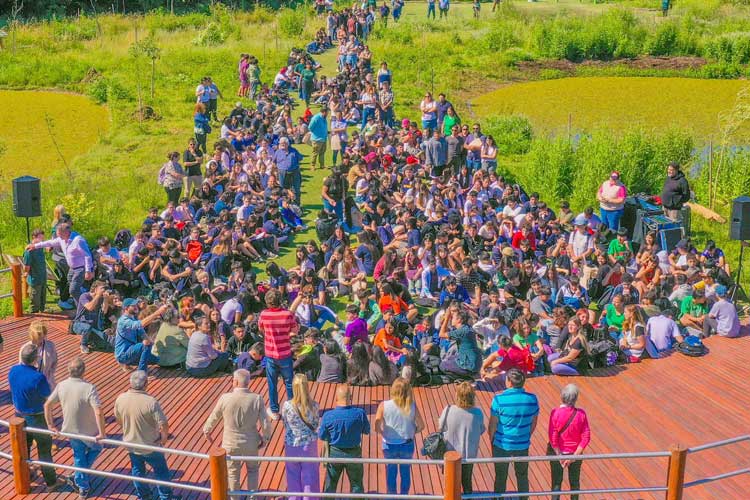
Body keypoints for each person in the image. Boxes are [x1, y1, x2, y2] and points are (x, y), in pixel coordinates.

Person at [44, 357, 107, 499]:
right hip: (89, 431)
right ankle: (82, 484)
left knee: (78, 455)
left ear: (68, 370)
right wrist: (102, 432)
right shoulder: (89, 388)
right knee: (96, 448)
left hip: (70, 428)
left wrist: (50, 425)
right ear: (83, 371)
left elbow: (47, 405)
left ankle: (79, 479)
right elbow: (98, 411)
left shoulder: (61, 385)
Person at [204, 369, 270, 500]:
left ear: (235, 382)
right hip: (251, 442)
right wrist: (265, 438)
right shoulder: (257, 399)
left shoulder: (225, 398)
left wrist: (207, 430)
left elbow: (214, 416)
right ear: (248, 382)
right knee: (252, 471)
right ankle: (252, 497)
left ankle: (235, 498)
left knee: (233, 473)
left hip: (230, 443)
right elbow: (266, 423)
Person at [9, 344, 67, 492]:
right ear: (35, 359)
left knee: (24, 446)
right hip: (37, 417)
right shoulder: (38, 377)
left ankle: (26, 472)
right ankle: (51, 482)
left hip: (19, 414)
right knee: (44, 449)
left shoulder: (13, 370)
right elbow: (47, 396)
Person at [114, 370, 175, 500]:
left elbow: (118, 419)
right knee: (161, 471)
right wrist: (163, 438)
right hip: (150, 444)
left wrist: (127, 429)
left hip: (130, 444)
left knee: (137, 471)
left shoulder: (121, 398)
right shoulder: (150, 402)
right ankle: (165, 497)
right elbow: (163, 424)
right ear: (146, 383)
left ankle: (144, 496)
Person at [488, 368, 539, 499]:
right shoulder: (532, 399)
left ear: (509, 382)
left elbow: (492, 425)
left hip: (501, 443)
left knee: (500, 476)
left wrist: (492, 440)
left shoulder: (498, 400)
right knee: (522, 475)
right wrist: (525, 436)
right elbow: (533, 424)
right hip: (522, 444)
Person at [374, 378, 425, 497]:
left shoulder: (383, 405)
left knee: (391, 472)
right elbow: (422, 426)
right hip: (407, 444)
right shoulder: (412, 406)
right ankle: (404, 496)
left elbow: (376, 426)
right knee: (405, 473)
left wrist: (383, 433)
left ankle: (391, 497)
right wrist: (412, 432)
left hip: (389, 444)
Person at [319, 384, 370, 495]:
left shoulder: (328, 416)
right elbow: (367, 430)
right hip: (354, 453)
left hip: (334, 454)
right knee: (356, 484)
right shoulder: (360, 414)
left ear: (336, 398)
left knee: (331, 484)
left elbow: (322, 436)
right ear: (350, 397)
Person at [27, 222, 94, 305]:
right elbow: (50, 243)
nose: (58, 237)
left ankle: (86, 306)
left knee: (73, 290)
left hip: (80, 268)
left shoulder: (78, 240)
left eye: (59, 234)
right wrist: (35, 246)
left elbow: (87, 256)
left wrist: (88, 271)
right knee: (70, 285)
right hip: (72, 268)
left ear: (66, 233)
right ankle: (81, 303)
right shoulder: (61, 239)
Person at [258, 289, 299, 419]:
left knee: (272, 383)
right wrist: (285, 334)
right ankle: (293, 408)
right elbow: (295, 331)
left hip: (270, 354)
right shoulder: (288, 314)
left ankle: (274, 411)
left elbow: (261, 328)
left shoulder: (264, 314)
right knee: (289, 382)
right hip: (285, 353)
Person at [439, 381, 485, 493]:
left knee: (450, 484)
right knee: (467, 482)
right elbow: (481, 430)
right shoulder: (477, 413)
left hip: (450, 454)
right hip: (469, 455)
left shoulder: (448, 409)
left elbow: (440, 427)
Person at [281, 374, 321, 500]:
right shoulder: (314, 405)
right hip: (309, 445)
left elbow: (285, 423)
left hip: (292, 444)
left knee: (293, 476)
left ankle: (294, 498)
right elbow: (315, 424)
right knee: (310, 476)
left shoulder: (287, 405)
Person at [548, 384, 591, 500]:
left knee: (556, 483)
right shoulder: (581, 414)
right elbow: (586, 436)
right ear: (575, 398)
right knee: (575, 482)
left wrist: (559, 455)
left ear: (562, 396)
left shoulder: (555, 413)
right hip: (575, 453)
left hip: (558, 453)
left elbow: (553, 437)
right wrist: (575, 456)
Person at [115, 298, 168, 372]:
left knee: (157, 359)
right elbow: (141, 325)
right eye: (133, 306)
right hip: (123, 355)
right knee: (144, 346)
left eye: (136, 305)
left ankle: (127, 364)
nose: (136, 307)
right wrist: (158, 312)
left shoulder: (132, 317)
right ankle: (141, 373)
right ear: (126, 308)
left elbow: (141, 332)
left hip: (132, 354)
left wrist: (150, 343)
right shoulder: (123, 320)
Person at [19, 320, 58, 388]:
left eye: (43, 336)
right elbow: (22, 367)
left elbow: (55, 361)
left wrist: (50, 374)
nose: (41, 339)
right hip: (31, 383)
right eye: (38, 337)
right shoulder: (24, 348)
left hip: (47, 381)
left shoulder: (50, 346)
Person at [23, 228, 47, 313]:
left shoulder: (40, 247)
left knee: (42, 299)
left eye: (43, 238)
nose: (42, 240)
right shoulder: (29, 251)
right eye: (40, 238)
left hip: (43, 278)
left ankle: (43, 311)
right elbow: (26, 267)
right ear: (34, 237)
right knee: (35, 302)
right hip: (35, 279)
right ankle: (33, 317)